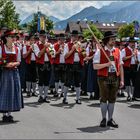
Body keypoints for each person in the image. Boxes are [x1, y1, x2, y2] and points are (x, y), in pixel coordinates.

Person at [93, 31, 124, 128]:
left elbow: (121, 66)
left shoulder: (117, 51)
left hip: (114, 77)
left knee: (112, 99)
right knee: (103, 98)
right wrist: (107, 64)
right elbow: (95, 66)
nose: (114, 41)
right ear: (107, 40)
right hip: (103, 77)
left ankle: (110, 119)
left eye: (114, 39)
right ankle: (103, 119)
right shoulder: (100, 51)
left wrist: (122, 80)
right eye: (112, 39)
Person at [0, 29, 23, 122]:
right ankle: (4, 114)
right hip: (5, 73)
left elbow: (19, 61)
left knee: (13, 91)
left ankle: (10, 114)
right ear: (6, 38)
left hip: (14, 72)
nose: (13, 38)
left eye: (14, 37)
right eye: (11, 37)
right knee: (5, 91)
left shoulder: (17, 48)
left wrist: (13, 64)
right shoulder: (1, 48)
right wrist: (5, 64)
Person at [63, 30, 86, 104]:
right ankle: (65, 98)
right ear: (71, 37)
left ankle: (78, 98)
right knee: (67, 81)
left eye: (76, 36)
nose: (75, 38)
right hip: (70, 65)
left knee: (77, 82)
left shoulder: (80, 45)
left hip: (78, 64)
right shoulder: (67, 45)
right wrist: (73, 49)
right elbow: (65, 56)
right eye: (73, 36)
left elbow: (85, 55)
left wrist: (81, 50)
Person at [34, 30, 55, 103]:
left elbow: (53, 55)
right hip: (40, 64)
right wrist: (44, 48)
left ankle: (45, 96)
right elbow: (38, 55)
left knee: (47, 81)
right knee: (41, 80)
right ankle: (40, 96)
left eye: (44, 36)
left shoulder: (50, 44)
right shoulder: (35, 45)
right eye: (42, 36)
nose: (43, 38)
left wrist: (48, 49)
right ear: (39, 37)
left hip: (48, 63)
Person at [121, 37, 139, 101]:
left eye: (134, 42)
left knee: (134, 81)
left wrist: (137, 61)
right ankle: (128, 95)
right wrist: (131, 55)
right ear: (129, 43)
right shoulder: (124, 50)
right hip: (127, 67)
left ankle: (133, 95)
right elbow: (123, 58)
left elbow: (136, 59)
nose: (133, 44)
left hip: (134, 66)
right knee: (127, 81)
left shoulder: (135, 50)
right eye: (132, 42)